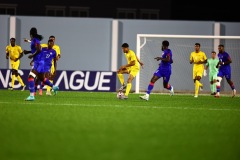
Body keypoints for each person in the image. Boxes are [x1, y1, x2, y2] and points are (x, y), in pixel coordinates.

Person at [23, 27, 58, 101]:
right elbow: (37, 48)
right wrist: (29, 52)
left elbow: (39, 49)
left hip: (38, 62)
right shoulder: (36, 40)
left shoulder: (35, 40)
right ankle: (54, 87)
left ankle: (32, 95)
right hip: (40, 61)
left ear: (30, 34)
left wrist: (32, 56)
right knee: (42, 78)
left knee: (30, 77)